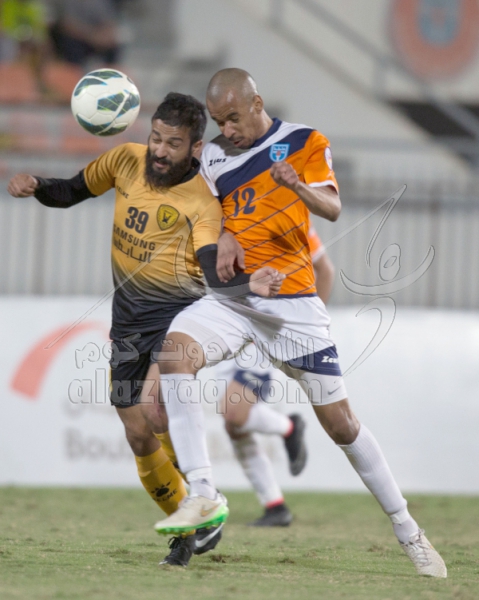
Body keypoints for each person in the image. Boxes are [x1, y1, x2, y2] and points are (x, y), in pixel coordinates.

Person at [154, 69, 447, 578]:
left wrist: (297, 187)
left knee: (341, 425)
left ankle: (408, 530)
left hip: (292, 306)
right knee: (175, 354)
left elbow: (333, 207)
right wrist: (225, 235)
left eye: (234, 118)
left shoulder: (305, 142)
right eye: (220, 121)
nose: (228, 130)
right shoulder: (215, 156)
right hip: (237, 298)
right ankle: (202, 493)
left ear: (257, 102)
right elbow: (209, 212)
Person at [7, 92, 283, 567]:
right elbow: (71, 191)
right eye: (156, 138)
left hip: (177, 319)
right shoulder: (124, 160)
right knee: (138, 435)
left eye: (172, 144)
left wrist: (247, 284)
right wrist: (37, 185)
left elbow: (211, 268)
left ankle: (201, 502)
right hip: (127, 323)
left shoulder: (202, 202)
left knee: (156, 411)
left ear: (195, 148)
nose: (159, 150)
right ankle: (190, 522)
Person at [219, 226, 334, 527]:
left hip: (261, 327)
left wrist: (310, 326)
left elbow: (325, 270)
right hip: (224, 323)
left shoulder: (291, 219)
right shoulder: (224, 213)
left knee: (234, 411)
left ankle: (289, 427)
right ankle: (275, 506)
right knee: (234, 425)